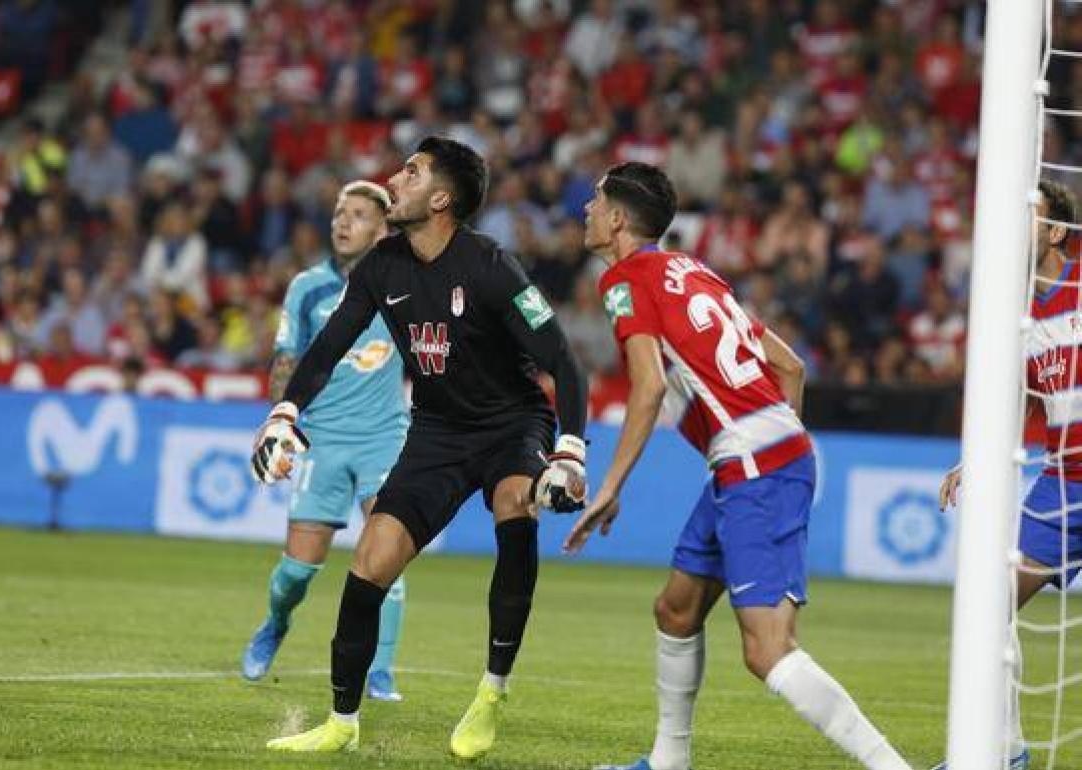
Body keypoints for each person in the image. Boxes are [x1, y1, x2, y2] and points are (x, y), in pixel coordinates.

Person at [563, 162, 912, 770]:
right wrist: (774, 444)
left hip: (753, 464)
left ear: (617, 219)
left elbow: (645, 388)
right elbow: (791, 367)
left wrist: (610, 485)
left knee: (768, 651)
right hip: (750, 459)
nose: (586, 210)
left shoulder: (624, 281)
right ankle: (669, 761)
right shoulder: (695, 271)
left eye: (594, 201)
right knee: (675, 608)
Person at [253, 136, 588, 757]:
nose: (394, 178)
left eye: (410, 171)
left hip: (511, 425)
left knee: (517, 504)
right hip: (435, 432)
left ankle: (492, 691)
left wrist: (569, 450)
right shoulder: (382, 267)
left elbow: (562, 362)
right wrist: (285, 414)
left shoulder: (489, 264)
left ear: (440, 198)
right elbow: (326, 350)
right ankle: (341, 722)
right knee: (371, 560)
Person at [240, 180, 411, 703]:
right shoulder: (308, 287)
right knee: (296, 571)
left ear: (382, 228)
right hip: (323, 439)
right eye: (340, 211)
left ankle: (379, 672)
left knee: (388, 556)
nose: (342, 221)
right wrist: (279, 425)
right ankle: (275, 622)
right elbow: (287, 362)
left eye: (358, 214)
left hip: (386, 436)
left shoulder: (407, 284)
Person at [933, 179, 1082, 770]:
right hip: (1063, 483)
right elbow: (1020, 397)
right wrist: (977, 458)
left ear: (1054, 232)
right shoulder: (1016, 313)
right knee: (988, 603)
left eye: (1030, 216)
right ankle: (1004, 751)